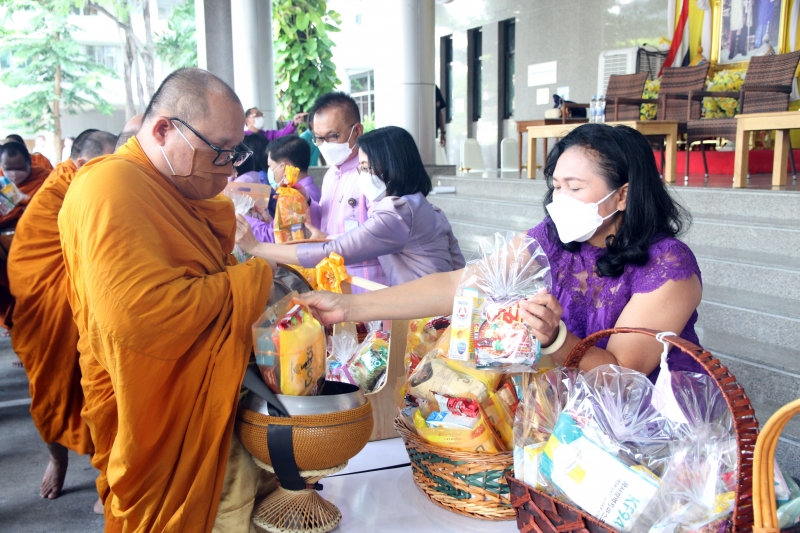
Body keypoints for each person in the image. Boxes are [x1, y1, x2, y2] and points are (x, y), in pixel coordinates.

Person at [300, 124, 704, 380]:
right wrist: (349, 308)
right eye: (556, 186)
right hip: (574, 414)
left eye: (575, 188)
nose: (559, 199)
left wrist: (557, 339)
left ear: (624, 196)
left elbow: (625, 374)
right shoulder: (551, 239)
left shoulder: (668, 265)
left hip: (651, 426)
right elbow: (460, 284)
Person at [58, 68, 273, 533]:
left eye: (237, 152)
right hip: (155, 409)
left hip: (205, 398)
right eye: (220, 152)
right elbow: (145, 316)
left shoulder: (180, 193)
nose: (231, 167)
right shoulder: (110, 187)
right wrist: (253, 278)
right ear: (162, 130)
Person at [8, 130, 116, 508]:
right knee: (54, 389)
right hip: (49, 308)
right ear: (83, 164)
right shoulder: (64, 189)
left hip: (83, 303)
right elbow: (34, 261)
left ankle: (109, 474)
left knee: (103, 388)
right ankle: (58, 459)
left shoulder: (94, 183)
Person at [237, 126, 465, 286]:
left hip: (425, 316)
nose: (360, 175)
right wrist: (325, 236)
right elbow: (458, 264)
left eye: (365, 167)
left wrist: (256, 247)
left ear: (391, 166)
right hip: (440, 307)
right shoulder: (420, 205)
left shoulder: (396, 214)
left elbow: (330, 252)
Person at [309, 91, 388, 287]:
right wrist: (305, 203)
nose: (325, 145)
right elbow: (326, 221)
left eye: (333, 136)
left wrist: (328, 240)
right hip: (335, 277)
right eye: (319, 138)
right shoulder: (330, 174)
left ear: (358, 131)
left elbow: (381, 233)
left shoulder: (371, 172)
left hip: (367, 279)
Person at [0, 142, 53, 330]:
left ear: (29, 163)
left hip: (36, 245)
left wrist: (26, 203)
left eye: (20, 168)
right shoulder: (0, 180)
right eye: (8, 168)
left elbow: (50, 211)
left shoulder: (46, 180)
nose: (14, 173)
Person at [239, 134, 321, 243]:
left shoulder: (295, 197)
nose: (270, 171)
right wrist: (271, 221)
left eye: (271, 166)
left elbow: (273, 237)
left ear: (285, 167)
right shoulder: (313, 190)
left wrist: (244, 218)